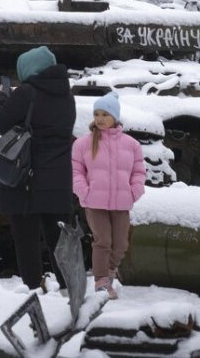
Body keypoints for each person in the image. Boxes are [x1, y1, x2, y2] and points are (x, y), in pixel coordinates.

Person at [0, 45, 76, 291]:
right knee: (57, 240)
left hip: (25, 178)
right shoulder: (67, 96)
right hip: (58, 179)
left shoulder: (26, 93)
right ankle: (68, 288)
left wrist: (0, 97)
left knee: (27, 241)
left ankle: (34, 289)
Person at [71, 91, 146, 299]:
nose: (100, 119)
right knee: (102, 240)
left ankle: (110, 273)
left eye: (105, 114)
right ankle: (101, 281)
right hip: (94, 202)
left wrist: (134, 191)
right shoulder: (83, 144)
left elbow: (139, 172)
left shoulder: (131, 144)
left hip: (122, 202)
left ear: (115, 117)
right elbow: (77, 171)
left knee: (121, 244)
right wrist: (83, 192)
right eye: (97, 114)